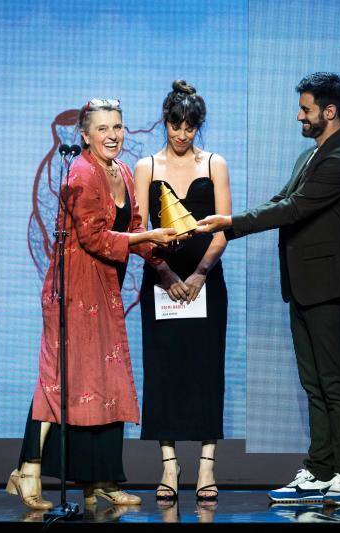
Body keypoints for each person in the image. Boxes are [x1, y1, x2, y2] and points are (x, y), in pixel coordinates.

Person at [198, 72, 340, 506]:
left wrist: (230, 224)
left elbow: (293, 209)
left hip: (329, 287)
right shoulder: (310, 157)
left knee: (335, 383)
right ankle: (320, 468)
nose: (299, 115)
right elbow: (279, 200)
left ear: (330, 112)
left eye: (306, 109)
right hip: (304, 287)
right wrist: (227, 225)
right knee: (314, 384)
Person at [7, 98, 178, 510]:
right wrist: (147, 240)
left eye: (118, 127)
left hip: (104, 287)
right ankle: (26, 470)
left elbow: (134, 227)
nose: (114, 135)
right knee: (59, 377)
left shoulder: (119, 171)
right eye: (103, 129)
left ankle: (100, 478)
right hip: (74, 288)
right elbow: (95, 238)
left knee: (107, 379)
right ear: (85, 136)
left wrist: (164, 265)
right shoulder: (81, 174)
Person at [134, 80, 232, 503]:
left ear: (199, 126)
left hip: (206, 282)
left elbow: (224, 227)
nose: (181, 133)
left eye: (190, 126)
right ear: (165, 121)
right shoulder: (146, 167)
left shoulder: (215, 164)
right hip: (161, 283)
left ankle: (207, 465)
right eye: (175, 124)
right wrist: (168, 276)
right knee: (165, 372)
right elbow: (138, 231)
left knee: (206, 370)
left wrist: (198, 276)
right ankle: (169, 467)